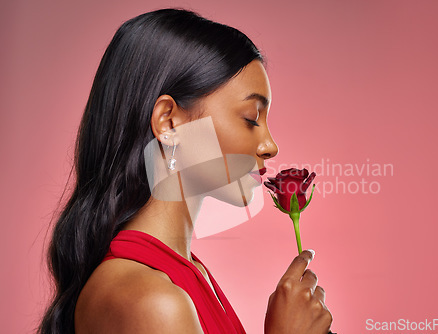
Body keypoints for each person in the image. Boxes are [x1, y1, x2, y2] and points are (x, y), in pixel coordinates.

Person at [39, 8, 333, 334]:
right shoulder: (151, 299)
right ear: (169, 122)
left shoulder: (191, 274)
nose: (269, 146)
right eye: (251, 118)